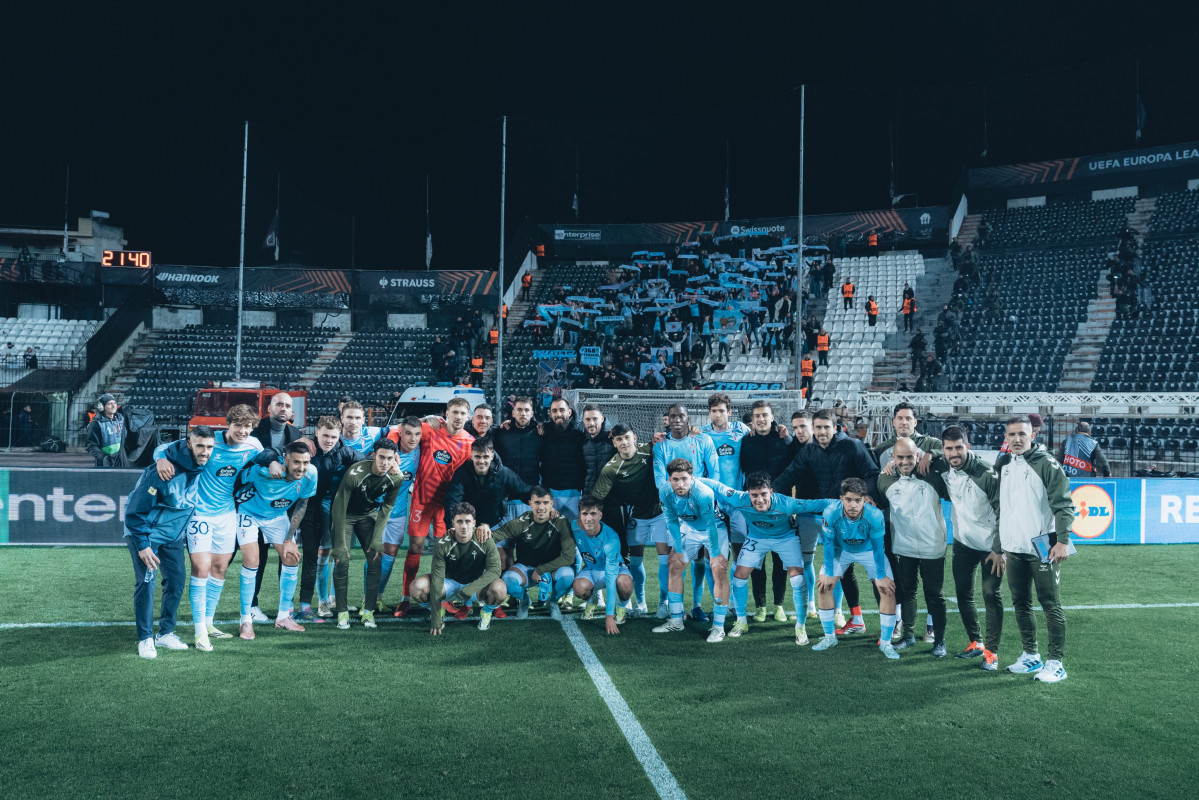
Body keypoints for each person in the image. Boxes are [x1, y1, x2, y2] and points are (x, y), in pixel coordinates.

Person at [152, 404, 272, 647]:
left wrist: (273, 462)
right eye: (238, 425)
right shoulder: (209, 441)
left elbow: (266, 455)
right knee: (201, 568)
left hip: (227, 514)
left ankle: (208, 622)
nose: (242, 431)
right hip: (199, 514)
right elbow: (162, 447)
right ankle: (199, 633)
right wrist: (161, 459)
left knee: (219, 568)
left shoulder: (253, 445)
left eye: (247, 426)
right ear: (228, 424)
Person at [772, 408, 879, 635]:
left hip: (849, 517)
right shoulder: (809, 451)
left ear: (835, 427)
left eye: (826, 427)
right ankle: (857, 618)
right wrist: (769, 495)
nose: (822, 432)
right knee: (842, 567)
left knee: (859, 568)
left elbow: (871, 472)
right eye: (818, 427)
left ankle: (884, 620)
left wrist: (868, 495)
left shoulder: (852, 446)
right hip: (824, 515)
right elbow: (789, 474)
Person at [704, 472, 833, 644]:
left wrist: (847, 502)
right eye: (754, 495)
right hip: (757, 538)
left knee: (797, 579)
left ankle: (800, 627)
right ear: (748, 494)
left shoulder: (786, 503)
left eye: (763, 494)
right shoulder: (739, 499)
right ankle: (741, 622)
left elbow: (817, 504)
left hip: (786, 538)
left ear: (771, 492)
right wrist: (692, 478)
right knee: (738, 577)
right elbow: (718, 487)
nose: (759, 500)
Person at [994, 416, 1074, 683]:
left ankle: (1056, 663)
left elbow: (1063, 505)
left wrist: (1062, 540)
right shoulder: (1003, 463)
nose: (1017, 439)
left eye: (1022, 434)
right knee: (1020, 603)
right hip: (1013, 547)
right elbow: (1002, 508)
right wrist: (999, 546)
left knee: (1050, 604)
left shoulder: (1047, 464)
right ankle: (1031, 656)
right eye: (1011, 434)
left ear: (1032, 435)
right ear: (1005, 437)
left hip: (1043, 546)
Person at [124, 426, 214, 658]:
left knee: (176, 581)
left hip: (171, 533)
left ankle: (165, 634)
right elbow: (135, 512)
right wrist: (143, 544)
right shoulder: (163, 471)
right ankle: (145, 638)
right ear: (188, 444)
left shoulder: (199, 463)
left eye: (209, 447)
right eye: (200, 446)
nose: (205, 452)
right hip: (146, 532)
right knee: (147, 582)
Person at [927, 425, 1005, 669]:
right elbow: (916, 442)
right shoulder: (943, 464)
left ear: (968, 447)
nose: (954, 453)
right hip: (963, 543)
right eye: (948, 448)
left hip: (990, 547)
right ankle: (976, 642)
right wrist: (928, 454)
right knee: (963, 593)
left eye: (958, 447)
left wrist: (999, 549)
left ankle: (991, 654)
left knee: (991, 594)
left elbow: (1004, 511)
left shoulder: (985, 473)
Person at [393, 397, 474, 615]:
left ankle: (442, 596)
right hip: (421, 499)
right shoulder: (430, 429)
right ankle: (405, 598)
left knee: (443, 551)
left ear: (468, 417)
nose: (458, 417)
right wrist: (423, 419)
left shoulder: (470, 443)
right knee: (415, 548)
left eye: (462, 413)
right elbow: (399, 430)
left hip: (447, 506)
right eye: (454, 412)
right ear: (446, 413)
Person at [233, 441, 318, 634]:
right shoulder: (262, 472)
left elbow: (302, 505)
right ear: (285, 459)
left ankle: (283, 617)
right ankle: (245, 620)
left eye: (305, 462)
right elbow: (239, 479)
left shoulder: (311, 474)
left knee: (291, 557)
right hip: (249, 514)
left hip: (277, 516)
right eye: (296, 462)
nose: (301, 467)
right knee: (252, 560)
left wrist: (289, 539)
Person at [811, 478, 900, 659]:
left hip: (868, 551)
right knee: (823, 586)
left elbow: (877, 547)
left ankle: (886, 643)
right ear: (841, 499)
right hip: (841, 551)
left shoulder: (874, 515)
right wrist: (829, 573)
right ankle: (830, 637)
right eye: (849, 500)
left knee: (887, 589)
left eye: (858, 500)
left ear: (864, 500)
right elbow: (828, 544)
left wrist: (880, 576)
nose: (853, 505)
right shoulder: (830, 513)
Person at [877, 438, 949, 657]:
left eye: (910, 456)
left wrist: (932, 453)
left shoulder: (933, 474)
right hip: (904, 547)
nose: (905, 461)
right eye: (900, 457)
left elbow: (955, 457)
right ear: (893, 458)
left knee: (934, 595)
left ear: (917, 456)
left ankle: (939, 640)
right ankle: (908, 637)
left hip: (933, 546)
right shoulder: (885, 480)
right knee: (907, 592)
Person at [590, 425, 665, 617]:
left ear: (635, 437)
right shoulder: (611, 469)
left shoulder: (650, 449)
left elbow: (677, 439)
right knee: (635, 562)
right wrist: (588, 520)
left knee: (665, 561)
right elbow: (597, 498)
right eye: (619, 439)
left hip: (660, 513)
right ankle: (641, 603)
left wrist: (693, 430)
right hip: (637, 515)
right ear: (614, 443)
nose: (624, 442)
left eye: (627, 438)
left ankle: (664, 602)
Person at [330, 439, 403, 630]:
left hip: (367, 514)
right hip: (345, 514)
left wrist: (378, 539)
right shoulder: (356, 472)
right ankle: (342, 611)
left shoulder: (396, 478)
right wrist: (339, 542)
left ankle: (368, 611)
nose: (385, 462)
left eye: (389, 458)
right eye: (381, 457)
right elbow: (339, 504)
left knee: (376, 556)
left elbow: (386, 508)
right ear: (373, 455)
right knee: (342, 559)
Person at [654, 459, 727, 639]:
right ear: (669, 479)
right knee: (675, 565)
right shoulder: (664, 491)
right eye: (676, 479)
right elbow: (671, 521)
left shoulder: (703, 493)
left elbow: (710, 525)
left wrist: (716, 554)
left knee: (718, 570)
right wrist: (678, 548)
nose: (680, 484)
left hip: (715, 528)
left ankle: (718, 627)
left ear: (692, 478)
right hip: (691, 528)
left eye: (684, 479)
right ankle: (676, 621)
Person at [739, 400, 798, 623]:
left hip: (780, 507)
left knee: (780, 560)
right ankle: (761, 606)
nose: (761, 419)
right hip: (754, 508)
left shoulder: (785, 439)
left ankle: (779, 606)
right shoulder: (747, 442)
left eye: (765, 415)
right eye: (757, 416)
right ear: (752, 420)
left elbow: (796, 463)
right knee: (757, 559)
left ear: (772, 417)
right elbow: (742, 469)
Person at [248, 392, 304, 618]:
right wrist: (270, 460)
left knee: (287, 554)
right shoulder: (254, 431)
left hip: (284, 504)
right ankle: (251, 606)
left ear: (292, 412)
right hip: (257, 503)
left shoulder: (296, 433)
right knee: (257, 557)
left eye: (287, 405)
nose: (283, 408)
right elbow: (250, 458)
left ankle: (285, 606)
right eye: (279, 404)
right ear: (269, 408)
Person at [412, 502, 507, 633]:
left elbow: (495, 570)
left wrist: (470, 588)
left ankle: (486, 612)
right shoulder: (443, 543)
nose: (463, 526)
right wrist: (434, 616)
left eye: (467, 521)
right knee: (417, 588)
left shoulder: (485, 539)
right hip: (450, 583)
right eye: (459, 521)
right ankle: (439, 611)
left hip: (476, 585)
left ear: (474, 523)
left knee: (500, 589)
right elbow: (438, 579)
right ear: (453, 523)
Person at [484, 487, 577, 618]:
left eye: (545, 503)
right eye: (537, 502)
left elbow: (569, 557)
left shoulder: (561, 522)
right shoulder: (521, 522)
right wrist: (477, 531)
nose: (541, 507)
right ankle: (524, 600)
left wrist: (541, 570)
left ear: (552, 504)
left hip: (551, 569)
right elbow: (494, 536)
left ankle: (553, 602)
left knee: (567, 575)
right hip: (526, 568)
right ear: (530, 503)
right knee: (508, 580)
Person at [699, 393, 751, 623]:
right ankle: (719, 603)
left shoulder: (741, 430)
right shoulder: (701, 435)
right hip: (713, 504)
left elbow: (761, 433)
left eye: (721, 410)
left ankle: (737, 605)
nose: (717, 414)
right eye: (713, 411)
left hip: (737, 503)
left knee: (741, 556)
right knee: (715, 559)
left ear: (729, 412)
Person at [564, 496, 633, 634]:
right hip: (591, 569)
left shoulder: (611, 538)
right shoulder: (574, 527)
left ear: (600, 515)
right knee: (579, 588)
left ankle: (621, 607)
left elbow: (611, 577)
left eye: (593, 514)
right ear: (579, 515)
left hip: (615, 569)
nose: (588, 518)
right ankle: (592, 600)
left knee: (625, 583)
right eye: (584, 514)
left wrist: (609, 616)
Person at [377, 417, 422, 610]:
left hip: (398, 513)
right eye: (408, 433)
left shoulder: (420, 452)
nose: (413, 439)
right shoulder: (386, 451)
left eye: (417, 434)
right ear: (400, 433)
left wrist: (429, 419)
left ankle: (377, 597)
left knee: (391, 554)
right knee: (373, 555)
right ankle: (362, 600)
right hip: (375, 511)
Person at [443, 440, 533, 530]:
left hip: (495, 524)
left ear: (492, 456)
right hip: (469, 525)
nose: (481, 461)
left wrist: (543, 500)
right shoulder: (462, 472)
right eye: (477, 457)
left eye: (485, 457)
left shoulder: (504, 473)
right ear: (471, 456)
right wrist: (452, 526)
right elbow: (452, 500)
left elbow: (525, 490)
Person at [492, 396, 543, 518]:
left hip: (531, 495)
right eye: (519, 410)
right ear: (513, 413)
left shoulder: (540, 433)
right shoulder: (501, 432)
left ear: (532, 413)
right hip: (506, 496)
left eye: (526, 410)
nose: (523, 413)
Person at [540, 397, 586, 520]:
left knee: (572, 533)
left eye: (561, 410)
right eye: (554, 411)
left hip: (573, 494)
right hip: (549, 494)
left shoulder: (579, 435)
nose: (558, 414)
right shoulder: (543, 433)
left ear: (569, 412)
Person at [580, 404, 616, 496]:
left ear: (602, 419)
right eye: (588, 419)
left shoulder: (614, 438)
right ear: (583, 420)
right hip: (589, 496)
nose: (591, 423)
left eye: (595, 419)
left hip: (612, 497)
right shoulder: (581, 439)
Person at [86, 393, 128, 468]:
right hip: (106, 464)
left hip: (122, 461)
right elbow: (91, 446)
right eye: (109, 404)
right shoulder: (96, 424)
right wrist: (104, 458)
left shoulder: (122, 420)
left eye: (114, 403)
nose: (113, 406)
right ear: (102, 407)